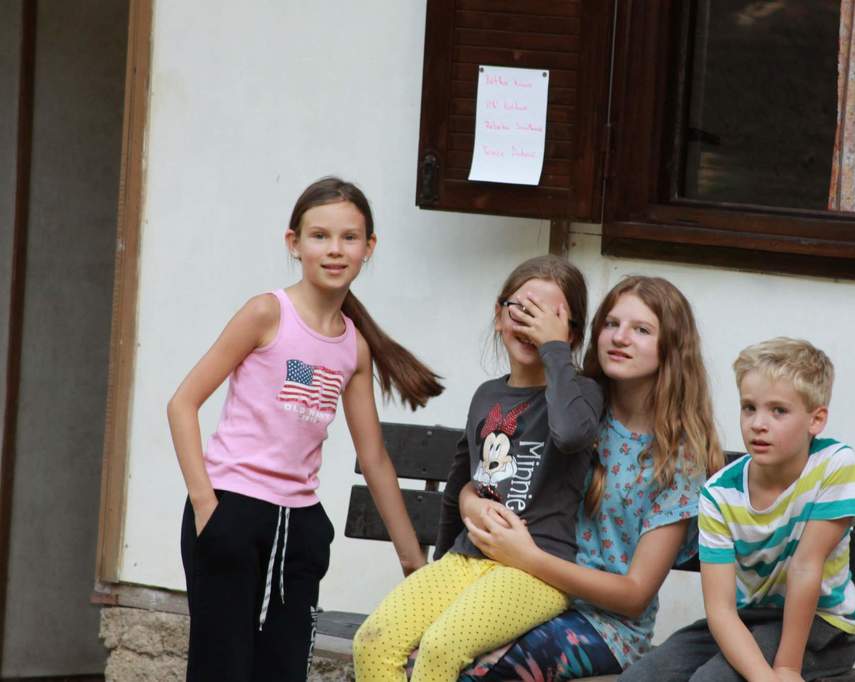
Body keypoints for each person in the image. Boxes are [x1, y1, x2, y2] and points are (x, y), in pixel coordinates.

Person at [167, 176, 443, 681]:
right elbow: (182, 404)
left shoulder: (353, 346)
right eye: (320, 236)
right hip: (233, 513)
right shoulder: (266, 313)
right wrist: (207, 506)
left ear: (368, 247)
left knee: (283, 670)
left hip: (300, 529)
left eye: (349, 237)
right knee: (221, 670)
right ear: (294, 243)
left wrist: (412, 565)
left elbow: (374, 458)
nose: (335, 249)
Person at [352, 255, 603, 682]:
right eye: (522, 309)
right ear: (499, 314)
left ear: (572, 333)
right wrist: (440, 559)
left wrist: (555, 352)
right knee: (373, 641)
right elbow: (460, 481)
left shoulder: (580, 394)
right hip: (467, 558)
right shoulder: (487, 395)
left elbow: (570, 435)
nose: (532, 323)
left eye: (549, 316)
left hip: (535, 569)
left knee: (441, 647)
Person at [459, 276, 724, 680]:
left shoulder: (679, 458)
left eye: (641, 330)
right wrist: (471, 502)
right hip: (520, 590)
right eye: (611, 324)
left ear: (671, 348)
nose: (620, 338)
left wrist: (530, 558)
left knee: (487, 669)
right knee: (426, 650)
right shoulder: (572, 411)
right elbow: (486, 478)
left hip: (605, 627)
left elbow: (635, 595)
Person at [621, 337, 855, 682]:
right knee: (640, 678)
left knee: (712, 681)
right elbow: (720, 610)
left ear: (816, 420)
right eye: (749, 407)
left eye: (778, 411)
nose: (758, 423)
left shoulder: (834, 465)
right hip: (746, 619)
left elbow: (805, 567)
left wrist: (786, 669)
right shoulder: (719, 494)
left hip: (824, 625)